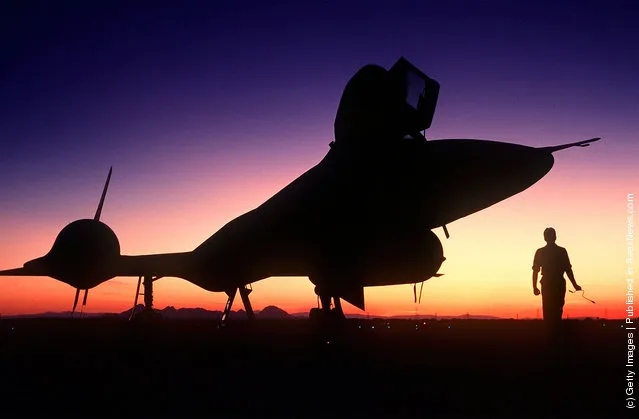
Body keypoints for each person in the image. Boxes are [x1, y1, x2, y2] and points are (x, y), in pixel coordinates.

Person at [532, 227, 581, 329]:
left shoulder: (546, 251)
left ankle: (553, 332)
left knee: (552, 309)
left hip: (553, 283)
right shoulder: (559, 251)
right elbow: (568, 270)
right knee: (555, 309)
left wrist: (535, 287)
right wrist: (575, 284)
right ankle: (552, 332)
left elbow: (568, 269)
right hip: (552, 283)